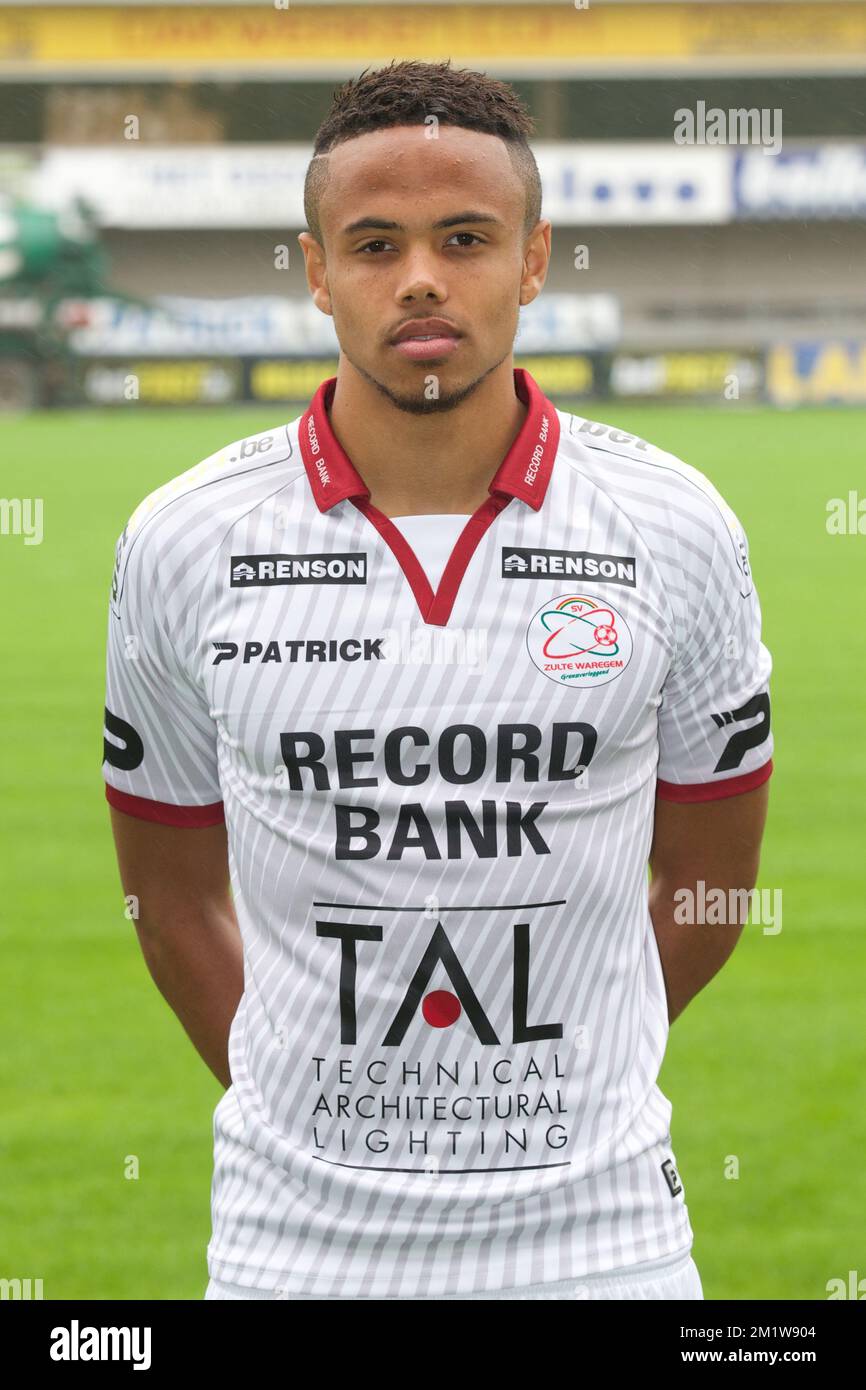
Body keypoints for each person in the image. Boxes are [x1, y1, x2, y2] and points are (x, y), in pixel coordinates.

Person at [103, 59, 773, 1301]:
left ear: (531, 260)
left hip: (603, 1238)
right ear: (313, 270)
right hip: (288, 1246)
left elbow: (710, 882)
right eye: (373, 243)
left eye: (464, 238)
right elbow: (171, 896)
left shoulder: (673, 526)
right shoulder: (183, 539)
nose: (420, 277)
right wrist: (316, 1104)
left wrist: (572, 1060)